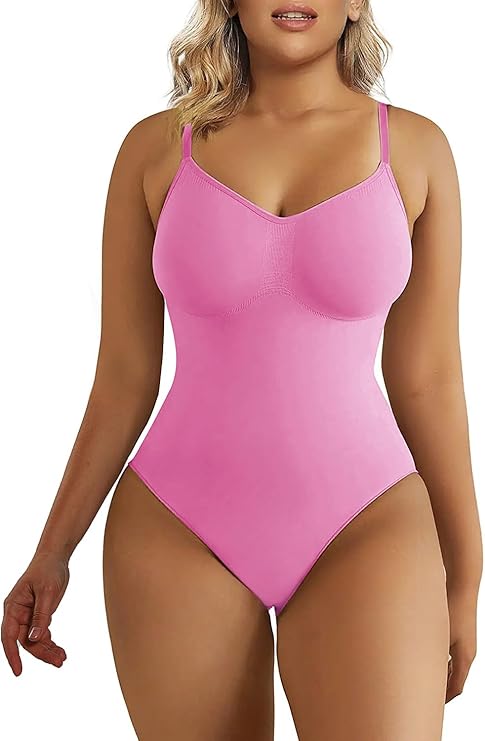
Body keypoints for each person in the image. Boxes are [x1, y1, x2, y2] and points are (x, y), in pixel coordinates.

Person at [2, 1, 483, 739]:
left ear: (357, 1)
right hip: (176, 525)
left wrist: (466, 571)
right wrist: (51, 550)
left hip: (368, 522)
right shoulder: (155, 150)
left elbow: (428, 378)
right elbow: (124, 375)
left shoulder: (417, 150)